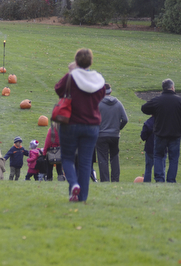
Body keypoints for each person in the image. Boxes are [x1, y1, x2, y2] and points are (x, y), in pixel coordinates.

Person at [55, 48, 105, 202]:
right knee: (85, 162)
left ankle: (74, 184)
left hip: (71, 123)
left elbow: (58, 89)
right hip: (92, 125)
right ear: (91, 61)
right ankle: (81, 197)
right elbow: (101, 95)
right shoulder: (98, 80)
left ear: (76, 61)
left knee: (68, 158)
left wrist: (70, 72)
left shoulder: (71, 77)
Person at [140, 78, 181, 183]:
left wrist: (156, 111)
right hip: (175, 133)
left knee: (158, 155)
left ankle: (159, 179)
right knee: (173, 158)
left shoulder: (157, 100)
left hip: (160, 133)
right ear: (172, 87)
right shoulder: (179, 100)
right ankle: (171, 180)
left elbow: (144, 108)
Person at [96, 83, 128, 182]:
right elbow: (125, 119)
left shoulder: (98, 104)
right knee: (114, 157)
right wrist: (118, 128)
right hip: (114, 135)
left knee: (103, 158)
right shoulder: (118, 103)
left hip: (101, 135)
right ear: (111, 91)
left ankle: (105, 180)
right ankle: (115, 180)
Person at [140, 116, 156, 182]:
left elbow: (143, 136)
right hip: (161, 148)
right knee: (161, 166)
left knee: (148, 168)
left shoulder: (148, 122)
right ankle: (160, 181)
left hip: (150, 147)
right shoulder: (163, 121)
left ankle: (147, 182)